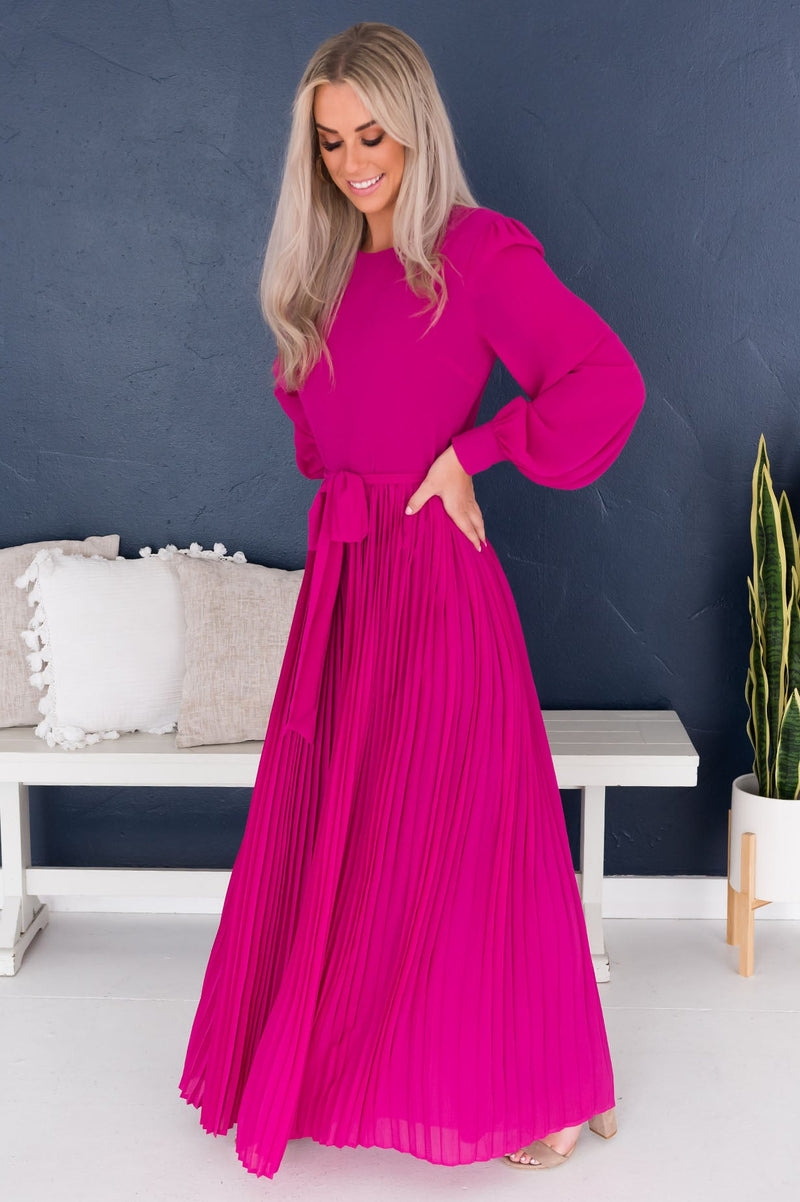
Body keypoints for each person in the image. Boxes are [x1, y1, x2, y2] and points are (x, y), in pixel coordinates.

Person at [178, 20, 645, 1179]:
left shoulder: (473, 253)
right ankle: (361, 1064)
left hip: (432, 579)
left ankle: (550, 1083)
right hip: (346, 590)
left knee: (474, 836)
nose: (352, 161)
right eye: (330, 141)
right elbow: (324, 438)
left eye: (371, 135)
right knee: (349, 833)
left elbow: (604, 380)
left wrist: (473, 452)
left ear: (415, 128)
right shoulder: (323, 272)